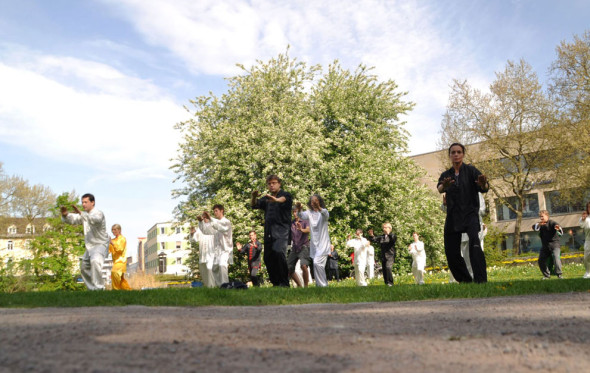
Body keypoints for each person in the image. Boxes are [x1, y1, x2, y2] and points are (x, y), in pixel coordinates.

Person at [437, 143, 489, 283]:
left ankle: (480, 280)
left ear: (463, 154)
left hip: (470, 215)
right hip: (453, 216)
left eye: (459, 152)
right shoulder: (446, 175)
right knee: (451, 251)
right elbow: (440, 188)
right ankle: (465, 280)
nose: (456, 154)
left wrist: (483, 184)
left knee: (475, 246)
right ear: (450, 155)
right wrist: (445, 186)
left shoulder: (471, 171)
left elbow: (484, 187)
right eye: (453, 152)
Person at [251, 175, 293, 287]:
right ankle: (275, 283)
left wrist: (276, 200)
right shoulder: (266, 198)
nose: (271, 185)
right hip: (269, 232)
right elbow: (254, 205)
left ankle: (284, 283)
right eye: (269, 183)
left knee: (279, 252)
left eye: (274, 183)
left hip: (282, 232)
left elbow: (283, 199)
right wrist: (254, 197)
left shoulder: (286, 195)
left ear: (279, 184)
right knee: (268, 257)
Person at [61, 193, 109, 290]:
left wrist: (81, 213)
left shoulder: (99, 213)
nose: (83, 204)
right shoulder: (84, 215)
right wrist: (66, 215)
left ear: (93, 202)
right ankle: (92, 289)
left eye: (86, 202)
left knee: (95, 261)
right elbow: (74, 219)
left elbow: (94, 220)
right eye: (82, 202)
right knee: (84, 267)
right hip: (90, 246)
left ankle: (99, 288)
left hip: (100, 244)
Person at [297, 194, 330, 287]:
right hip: (314, 245)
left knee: (317, 263)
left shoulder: (323, 212)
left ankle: (323, 285)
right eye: (312, 201)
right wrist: (299, 209)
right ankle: (320, 286)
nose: (313, 203)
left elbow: (326, 215)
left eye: (316, 201)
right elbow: (301, 215)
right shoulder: (309, 213)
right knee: (317, 265)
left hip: (323, 244)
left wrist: (319, 207)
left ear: (319, 201)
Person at [198, 204, 233, 286]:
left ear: (222, 211)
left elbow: (220, 227)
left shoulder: (226, 222)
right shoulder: (214, 222)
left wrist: (210, 218)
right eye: (213, 211)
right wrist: (201, 222)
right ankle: (220, 287)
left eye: (216, 211)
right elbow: (206, 231)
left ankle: (225, 286)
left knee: (222, 265)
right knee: (214, 268)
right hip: (217, 251)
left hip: (225, 250)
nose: (215, 212)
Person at [533, 210, 563, 279]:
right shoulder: (540, 224)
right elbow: (534, 227)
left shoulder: (552, 223)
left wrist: (557, 228)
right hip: (545, 246)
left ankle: (559, 274)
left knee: (556, 258)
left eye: (542, 216)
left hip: (555, 245)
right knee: (541, 260)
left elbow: (558, 227)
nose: (541, 218)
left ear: (547, 216)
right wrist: (539, 224)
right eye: (540, 217)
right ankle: (546, 275)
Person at [288, 207, 311, 287]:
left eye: (296, 212)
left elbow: (308, 230)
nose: (294, 214)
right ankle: (300, 285)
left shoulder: (305, 221)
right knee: (289, 268)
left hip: (304, 246)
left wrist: (301, 229)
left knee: (304, 265)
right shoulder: (292, 223)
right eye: (293, 212)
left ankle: (306, 286)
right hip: (294, 248)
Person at [109, 224, 131, 290]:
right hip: (115, 262)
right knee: (121, 279)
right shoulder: (113, 240)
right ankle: (127, 290)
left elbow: (120, 249)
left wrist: (111, 243)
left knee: (114, 272)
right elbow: (109, 250)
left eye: (115, 229)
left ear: (119, 230)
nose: (113, 231)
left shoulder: (122, 239)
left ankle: (116, 290)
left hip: (121, 261)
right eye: (112, 230)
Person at [579, 202, 590, 279]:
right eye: (589, 207)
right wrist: (583, 219)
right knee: (587, 257)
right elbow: (581, 225)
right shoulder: (586, 218)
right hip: (588, 240)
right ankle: (588, 272)